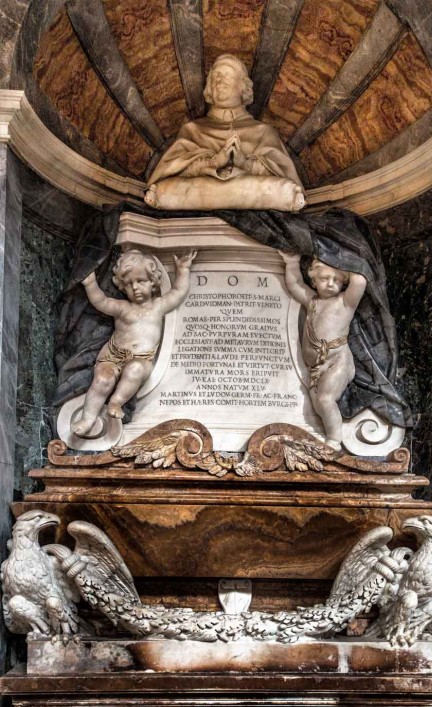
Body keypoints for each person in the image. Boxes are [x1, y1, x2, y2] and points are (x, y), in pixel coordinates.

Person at [145, 54, 304, 210]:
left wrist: (245, 164)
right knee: (165, 188)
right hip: (200, 187)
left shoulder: (262, 131)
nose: (219, 80)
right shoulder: (193, 129)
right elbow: (172, 170)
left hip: (248, 186)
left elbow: (282, 172)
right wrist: (212, 163)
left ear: (243, 86)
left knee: (279, 187)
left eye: (226, 74)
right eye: (215, 76)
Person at [71, 249, 196, 437]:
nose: (135, 288)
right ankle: (88, 417)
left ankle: (116, 401)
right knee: (102, 379)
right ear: (122, 285)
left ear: (153, 282)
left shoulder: (158, 306)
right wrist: (90, 283)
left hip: (141, 359)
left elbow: (178, 292)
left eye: (141, 281)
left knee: (135, 370)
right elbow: (101, 302)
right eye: (129, 284)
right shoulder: (123, 308)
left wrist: (183, 270)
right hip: (112, 355)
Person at [279, 251, 367, 450]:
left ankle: (335, 441)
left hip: (338, 360)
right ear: (314, 280)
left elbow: (360, 283)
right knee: (319, 406)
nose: (330, 284)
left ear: (343, 283)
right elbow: (295, 286)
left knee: (325, 399)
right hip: (316, 366)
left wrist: (348, 261)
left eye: (336, 280)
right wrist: (292, 263)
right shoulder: (312, 302)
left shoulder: (345, 302)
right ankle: (331, 435)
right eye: (325, 278)